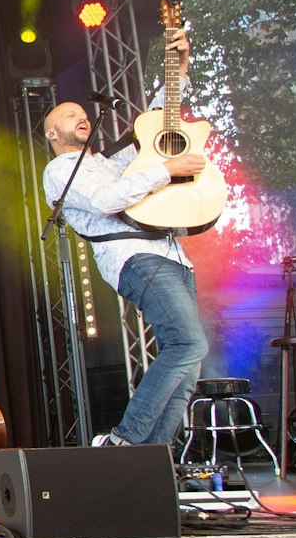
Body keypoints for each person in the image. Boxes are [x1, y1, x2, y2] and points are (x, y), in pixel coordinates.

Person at [41, 26, 209, 449]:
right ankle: (124, 441)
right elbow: (106, 199)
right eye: (68, 114)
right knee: (188, 342)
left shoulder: (112, 161)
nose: (80, 116)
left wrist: (179, 71)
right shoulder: (62, 169)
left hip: (171, 253)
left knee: (188, 363)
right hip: (136, 258)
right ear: (51, 133)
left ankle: (156, 463)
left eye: (83, 111)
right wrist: (165, 172)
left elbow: (156, 134)